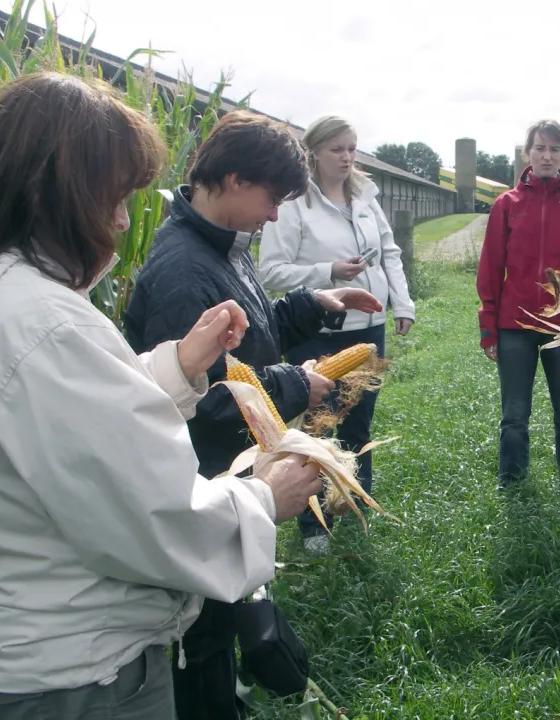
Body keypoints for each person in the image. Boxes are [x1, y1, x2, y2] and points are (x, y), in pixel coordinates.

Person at [0, 72, 324, 719]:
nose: (125, 221)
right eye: (115, 198)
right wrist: (265, 497)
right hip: (77, 676)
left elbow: (62, 428)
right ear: (60, 194)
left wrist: (175, 367)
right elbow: (155, 516)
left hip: (9, 651)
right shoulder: (41, 326)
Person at [124, 110, 382, 720]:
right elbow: (208, 397)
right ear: (235, 180)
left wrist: (312, 304)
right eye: (273, 199)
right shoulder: (184, 271)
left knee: (223, 620)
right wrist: (296, 384)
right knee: (202, 636)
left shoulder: (223, 244)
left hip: (225, 480)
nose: (274, 216)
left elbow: (250, 339)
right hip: (201, 484)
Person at [259, 115, 414, 554]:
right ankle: (314, 524)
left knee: (359, 423)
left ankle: (356, 505)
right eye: (337, 149)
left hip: (369, 329)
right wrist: (328, 271)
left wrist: (402, 304)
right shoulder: (293, 204)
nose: (347, 158)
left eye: (352, 149)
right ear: (314, 153)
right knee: (318, 428)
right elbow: (271, 271)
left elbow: (389, 252)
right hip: (319, 334)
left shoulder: (366, 197)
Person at [476, 120, 560, 489]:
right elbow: (491, 268)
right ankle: (512, 483)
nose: (547, 156)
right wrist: (488, 326)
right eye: (540, 148)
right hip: (514, 326)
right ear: (528, 153)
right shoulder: (507, 204)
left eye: (554, 149)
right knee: (514, 414)